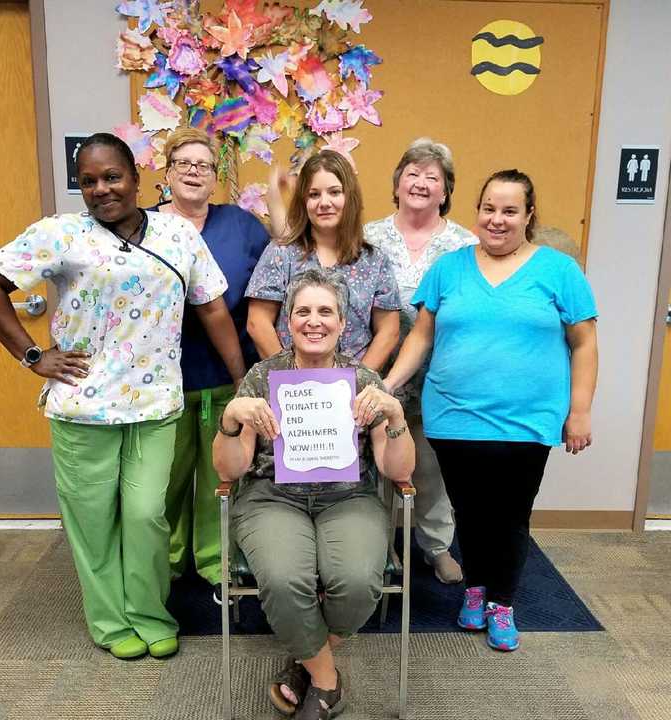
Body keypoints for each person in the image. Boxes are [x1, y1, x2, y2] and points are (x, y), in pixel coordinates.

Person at [0, 133, 246, 660]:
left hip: (155, 405)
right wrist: (32, 356)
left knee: (146, 515)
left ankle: (148, 612)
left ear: (138, 178)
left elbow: (211, 308)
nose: (101, 189)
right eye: (89, 180)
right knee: (94, 522)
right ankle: (110, 620)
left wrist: (241, 380)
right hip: (82, 406)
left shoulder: (177, 235)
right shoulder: (59, 234)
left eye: (112, 176)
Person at [385, 169, 598, 652]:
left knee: (510, 515)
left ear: (528, 216)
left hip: (527, 420)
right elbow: (421, 335)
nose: (496, 220)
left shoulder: (558, 271)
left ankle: (502, 603)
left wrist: (579, 411)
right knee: (470, 512)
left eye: (509, 211)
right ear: (476, 210)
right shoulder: (449, 267)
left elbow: (584, 343)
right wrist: (387, 385)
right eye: (488, 209)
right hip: (454, 416)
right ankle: (475, 590)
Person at [213, 268, 415, 719]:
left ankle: (305, 662)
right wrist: (231, 419)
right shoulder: (263, 377)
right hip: (273, 497)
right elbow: (230, 468)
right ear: (288, 322)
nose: (314, 321)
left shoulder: (363, 380)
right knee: (286, 580)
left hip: (349, 498)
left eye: (326, 311)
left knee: (361, 580)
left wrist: (395, 413)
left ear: (343, 323)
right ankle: (326, 681)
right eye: (303, 311)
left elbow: (396, 470)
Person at [149, 127, 269, 601]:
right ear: (167, 171)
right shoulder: (143, 225)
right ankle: (168, 564)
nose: (195, 172)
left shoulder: (241, 226)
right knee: (164, 481)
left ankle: (218, 563)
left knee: (222, 477)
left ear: (216, 176)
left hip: (228, 375)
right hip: (161, 382)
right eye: (185, 163)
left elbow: (271, 284)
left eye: (205, 165)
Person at [365, 138, 476, 584]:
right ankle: (374, 545)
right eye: (413, 173)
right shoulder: (369, 234)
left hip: (438, 375)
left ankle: (436, 546)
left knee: (430, 466)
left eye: (433, 177)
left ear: (446, 191)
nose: (421, 182)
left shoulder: (464, 243)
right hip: (374, 368)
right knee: (373, 462)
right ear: (396, 184)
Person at [246, 150, 401, 372]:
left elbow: (389, 330)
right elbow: (257, 322)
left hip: (353, 393)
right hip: (292, 391)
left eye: (334, 192)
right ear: (304, 202)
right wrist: (292, 381)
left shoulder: (374, 261)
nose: (324, 202)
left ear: (350, 197)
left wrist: (356, 384)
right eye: (314, 195)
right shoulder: (281, 253)